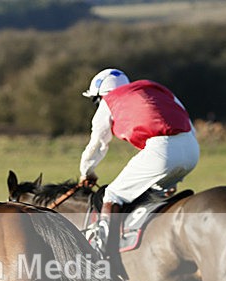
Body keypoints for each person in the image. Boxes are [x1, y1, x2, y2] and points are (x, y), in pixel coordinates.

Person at [78, 68, 199, 260]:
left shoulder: (109, 101)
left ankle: (100, 254)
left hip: (162, 151)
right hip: (192, 149)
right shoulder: (156, 89)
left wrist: (87, 171)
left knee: (112, 195)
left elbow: (98, 143)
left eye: (96, 100)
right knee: (155, 190)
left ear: (101, 95)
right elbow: (188, 123)